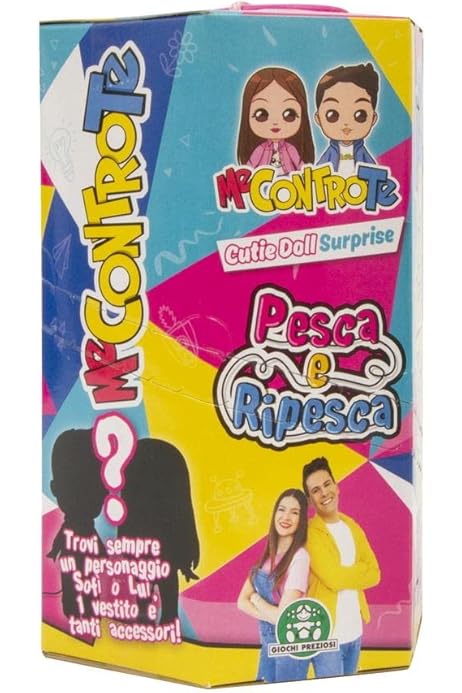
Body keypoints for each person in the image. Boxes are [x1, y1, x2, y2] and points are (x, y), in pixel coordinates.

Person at [302, 457, 380, 677]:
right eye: (315, 490)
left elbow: (375, 574)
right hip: (326, 635)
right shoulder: (310, 533)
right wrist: (358, 571)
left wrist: (346, 573)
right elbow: (334, 579)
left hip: (355, 630)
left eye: (327, 484)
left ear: (336, 486)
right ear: (309, 500)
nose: (324, 493)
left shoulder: (352, 526)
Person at [237, 489, 309, 683]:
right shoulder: (268, 555)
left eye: (294, 512)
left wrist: (255, 598)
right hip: (268, 645)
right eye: (281, 509)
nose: (286, 517)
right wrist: (272, 616)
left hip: (289, 648)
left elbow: (283, 618)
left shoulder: (299, 558)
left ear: (302, 520)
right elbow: (241, 602)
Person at [237, 67, 315, 174]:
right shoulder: (260, 149)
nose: (275, 122)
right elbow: (248, 167)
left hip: (290, 182)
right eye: (261, 114)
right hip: (262, 182)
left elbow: (301, 166)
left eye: (289, 114)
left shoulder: (290, 149)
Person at [315, 63, 379, 175]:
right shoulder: (330, 153)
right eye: (332, 115)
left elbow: (373, 170)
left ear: (373, 118)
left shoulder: (362, 153)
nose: (346, 123)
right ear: (318, 118)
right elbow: (319, 170)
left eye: (360, 115)